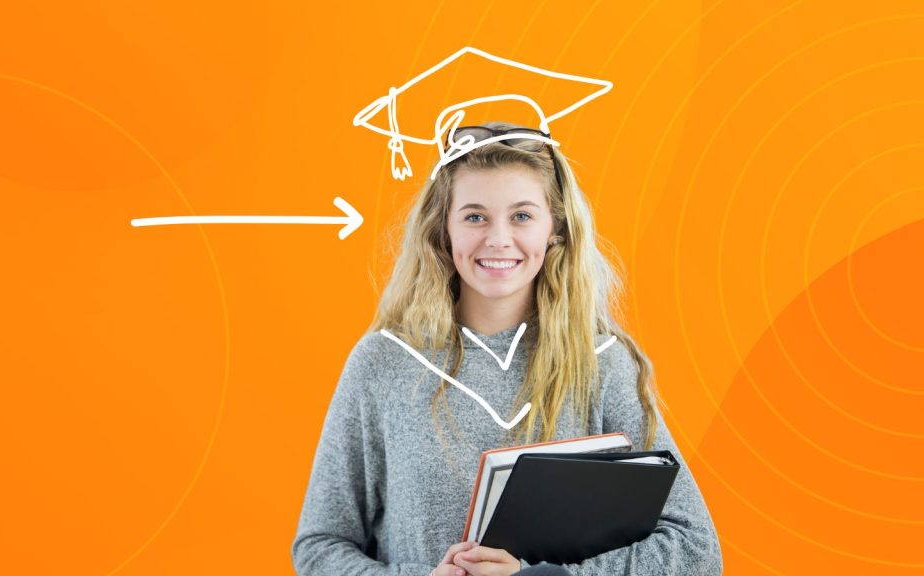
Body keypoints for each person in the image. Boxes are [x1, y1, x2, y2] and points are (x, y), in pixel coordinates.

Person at [292, 122, 723, 575]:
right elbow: (320, 547)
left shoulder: (600, 363)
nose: (498, 238)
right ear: (444, 229)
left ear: (554, 229)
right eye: (475, 216)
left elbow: (695, 550)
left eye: (521, 215)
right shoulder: (382, 363)